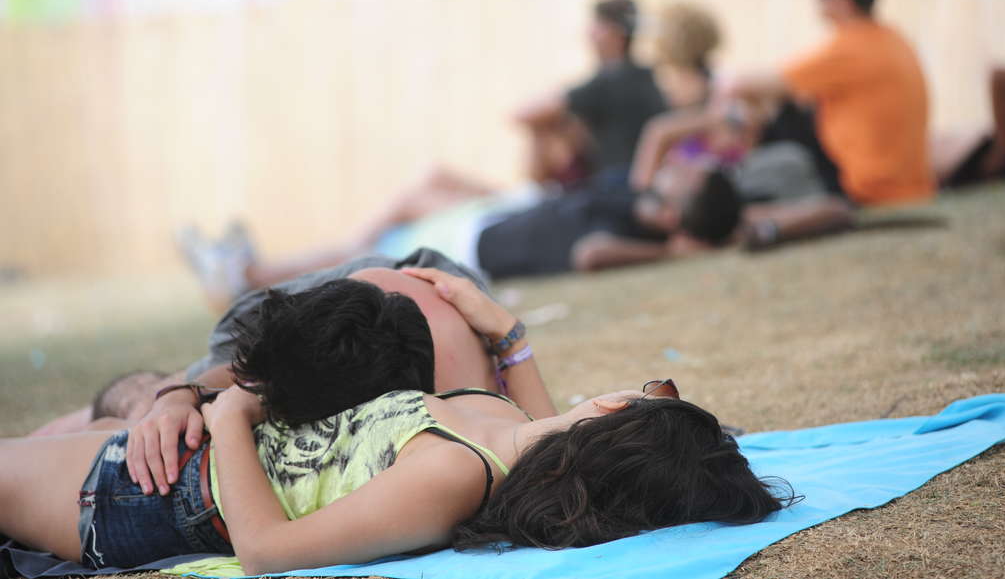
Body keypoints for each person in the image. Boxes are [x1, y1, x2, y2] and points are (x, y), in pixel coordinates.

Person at [0, 269, 792, 575]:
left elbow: (269, 552)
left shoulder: (453, 472)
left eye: (655, 385)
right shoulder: (503, 431)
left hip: (153, 491)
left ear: (621, 406)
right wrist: (508, 334)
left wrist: (234, 411)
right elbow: (552, 428)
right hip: (180, 463)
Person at [31, 248, 560, 500]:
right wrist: (176, 398)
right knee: (142, 405)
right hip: (360, 304)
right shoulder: (455, 422)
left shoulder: (445, 430)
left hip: (404, 307)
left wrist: (513, 337)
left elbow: (544, 450)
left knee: (149, 414)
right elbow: (234, 378)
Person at [179, 158, 743, 307]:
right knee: (427, 182)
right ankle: (241, 268)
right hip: (511, 211)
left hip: (480, 242)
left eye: (688, 174)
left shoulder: (629, 233)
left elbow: (593, 254)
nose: (683, 162)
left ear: (675, 217)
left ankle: (244, 273)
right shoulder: (635, 195)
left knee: (371, 249)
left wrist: (670, 250)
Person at [717, 0, 935, 207]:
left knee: (780, 111)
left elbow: (739, 85)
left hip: (867, 188)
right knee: (787, 103)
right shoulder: (892, 38)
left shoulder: (849, 47)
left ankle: (741, 186)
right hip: (909, 185)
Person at [630, 1, 854, 251]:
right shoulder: (678, 97)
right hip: (688, 200)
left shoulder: (725, 91)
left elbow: (739, 144)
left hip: (724, 193)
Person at [516, 0, 667, 187]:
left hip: (615, 182)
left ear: (613, 33)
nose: (589, 34)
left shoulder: (610, 80)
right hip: (629, 178)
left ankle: (540, 190)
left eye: (596, 26)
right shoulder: (645, 75)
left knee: (543, 124)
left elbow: (525, 114)